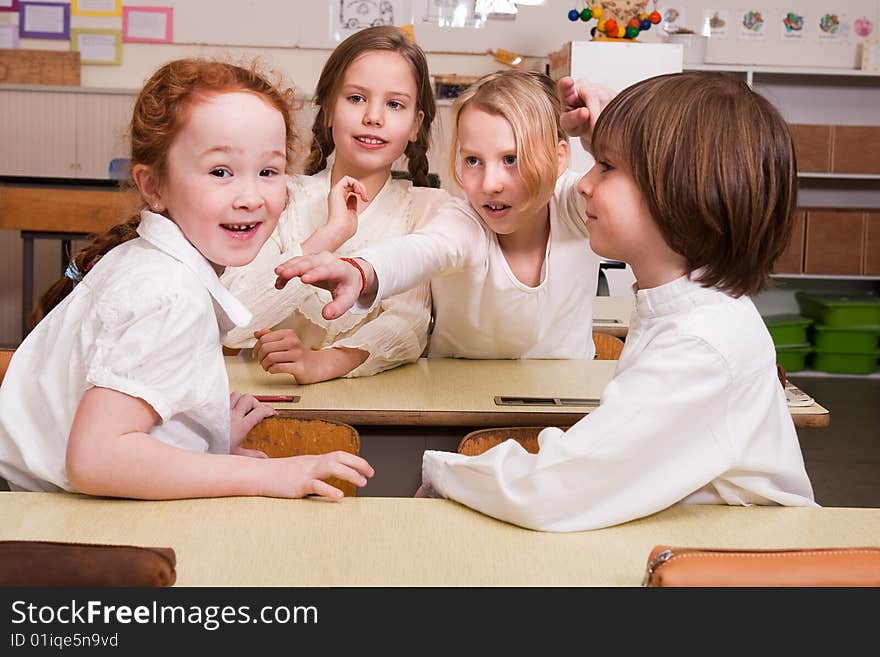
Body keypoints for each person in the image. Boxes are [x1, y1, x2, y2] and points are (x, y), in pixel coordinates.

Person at [0, 58, 373, 500]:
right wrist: (265, 476)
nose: (250, 197)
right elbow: (97, 459)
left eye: (268, 172)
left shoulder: (152, 263)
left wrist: (196, 436)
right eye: (220, 172)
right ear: (154, 186)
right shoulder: (169, 293)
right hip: (46, 532)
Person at [275, 69, 603, 360]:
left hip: (573, 411)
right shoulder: (464, 219)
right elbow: (423, 249)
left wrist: (606, 128)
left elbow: (643, 186)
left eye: (511, 159)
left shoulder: (578, 204)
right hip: (459, 410)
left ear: (560, 158)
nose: (490, 184)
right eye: (473, 160)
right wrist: (364, 271)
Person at [220, 25, 449, 383]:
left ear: (416, 125)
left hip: (375, 405)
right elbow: (234, 323)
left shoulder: (426, 208)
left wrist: (323, 363)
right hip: (267, 399)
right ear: (327, 110)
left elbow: (409, 326)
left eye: (395, 104)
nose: (374, 116)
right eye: (356, 98)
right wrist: (329, 233)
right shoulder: (281, 194)